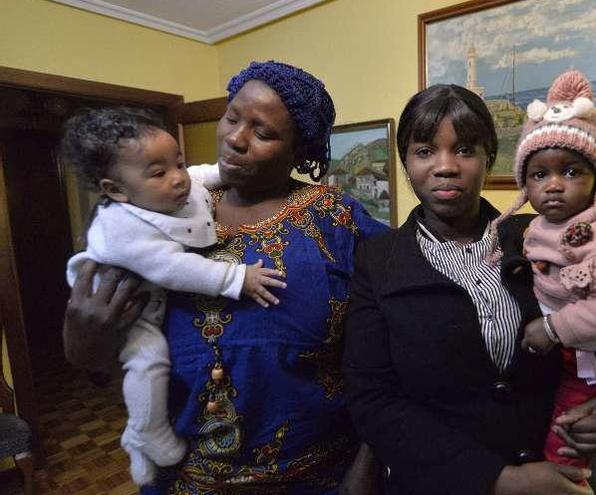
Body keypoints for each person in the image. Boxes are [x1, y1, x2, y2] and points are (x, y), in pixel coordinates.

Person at [63, 60, 387, 494]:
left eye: (263, 132)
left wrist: (369, 462)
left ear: (300, 149)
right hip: (186, 479)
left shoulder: (338, 219)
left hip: (321, 475)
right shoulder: (154, 213)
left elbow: (391, 348)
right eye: (232, 117)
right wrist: (82, 340)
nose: (235, 138)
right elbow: (103, 351)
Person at [342, 83, 596, 495]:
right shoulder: (376, 261)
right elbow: (373, 400)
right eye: (424, 151)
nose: (445, 166)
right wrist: (499, 480)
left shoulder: (546, 238)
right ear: (405, 162)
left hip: (567, 477)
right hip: (447, 482)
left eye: (465, 150)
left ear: (491, 159)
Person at [61, 107, 288, 486]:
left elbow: (201, 175)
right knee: (149, 362)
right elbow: (174, 268)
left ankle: (138, 440)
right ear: (116, 191)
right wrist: (236, 277)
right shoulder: (123, 229)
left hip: (151, 299)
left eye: (178, 163)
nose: (179, 178)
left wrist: (226, 172)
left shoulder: (173, 189)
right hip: (128, 306)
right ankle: (144, 430)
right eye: (159, 172)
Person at [490, 70, 596, 480]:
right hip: (577, 359)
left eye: (570, 172)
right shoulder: (528, 231)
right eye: (539, 175)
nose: (553, 186)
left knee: (567, 442)